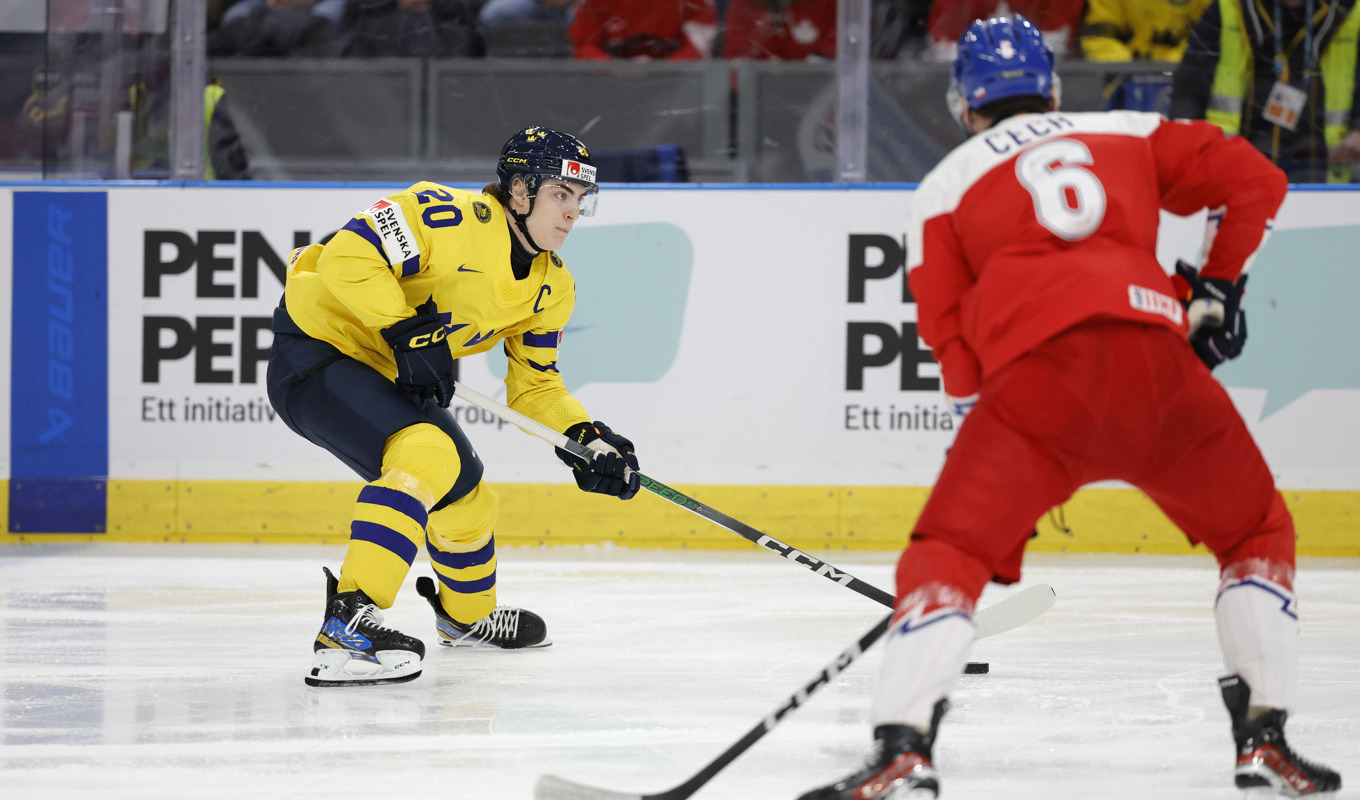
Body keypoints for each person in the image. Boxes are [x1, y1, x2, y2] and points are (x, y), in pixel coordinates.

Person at [799, 14, 1341, 800]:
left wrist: (997, 442)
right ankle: (1266, 741)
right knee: (1256, 531)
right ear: (1052, 85)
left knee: (949, 551)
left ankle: (903, 750)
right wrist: (1217, 290)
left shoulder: (942, 186)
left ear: (964, 105)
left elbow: (953, 353)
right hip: (1160, 367)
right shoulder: (1128, 128)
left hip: (1038, 388)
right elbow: (1257, 179)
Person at [266, 125, 642, 687]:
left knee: (468, 497)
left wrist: (585, 439)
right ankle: (347, 626)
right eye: (560, 195)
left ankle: (465, 619)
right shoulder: (442, 214)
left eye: (580, 200)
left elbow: (535, 386)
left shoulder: (552, 287)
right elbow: (347, 255)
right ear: (520, 191)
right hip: (318, 353)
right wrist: (406, 332)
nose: (571, 212)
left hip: (384, 369)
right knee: (429, 453)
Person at [1169, 0, 1360, 183]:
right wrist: (1187, 145)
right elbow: (1190, 86)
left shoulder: (1350, 10)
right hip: (1237, 166)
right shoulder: (1230, 6)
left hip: (1325, 170)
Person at [568, 0, 719, 60]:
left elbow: (698, 48)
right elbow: (582, 46)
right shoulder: (593, 2)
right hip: (609, 87)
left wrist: (661, 70)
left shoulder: (696, 2)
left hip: (678, 86)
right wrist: (615, 68)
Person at [721, 0, 837, 61]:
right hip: (757, 96)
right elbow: (736, 63)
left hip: (815, 97)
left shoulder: (830, 5)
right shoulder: (745, 5)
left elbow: (837, 55)